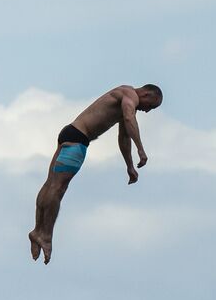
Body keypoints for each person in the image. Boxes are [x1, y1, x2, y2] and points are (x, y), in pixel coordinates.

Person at [29, 83, 162, 263]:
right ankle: (44, 234)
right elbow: (130, 120)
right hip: (78, 141)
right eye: (151, 106)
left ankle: (38, 230)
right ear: (146, 94)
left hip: (70, 133)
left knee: (50, 184)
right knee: (58, 188)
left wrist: (129, 165)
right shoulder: (130, 96)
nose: (148, 111)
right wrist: (141, 150)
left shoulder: (126, 99)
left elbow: (124, 136)